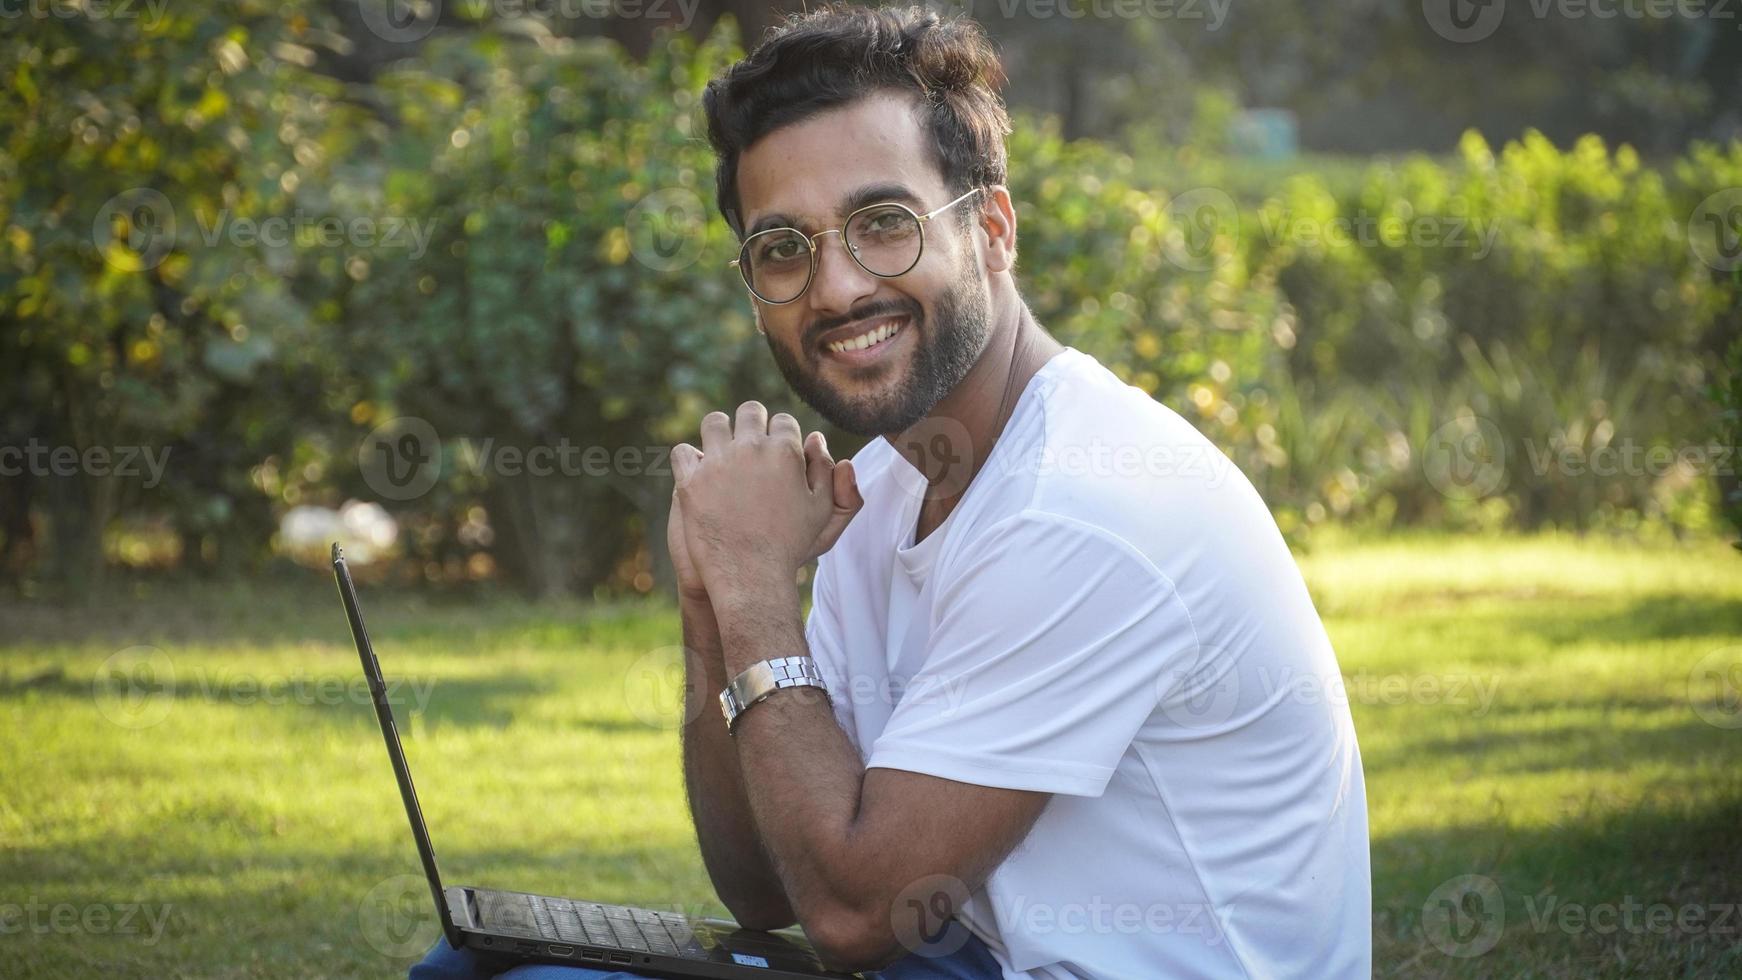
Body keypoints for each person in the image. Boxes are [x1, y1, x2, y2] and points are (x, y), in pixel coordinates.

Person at [414, 5, 1370, 978]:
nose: (833, 289)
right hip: (962, 958)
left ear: (991, 230)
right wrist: (711, 597)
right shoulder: (879, 490)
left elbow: (847, 911)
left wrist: (752, 582)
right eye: (782, 248)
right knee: (475, 965)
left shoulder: (1078, 508)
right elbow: (766, 881)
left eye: (882, 223)